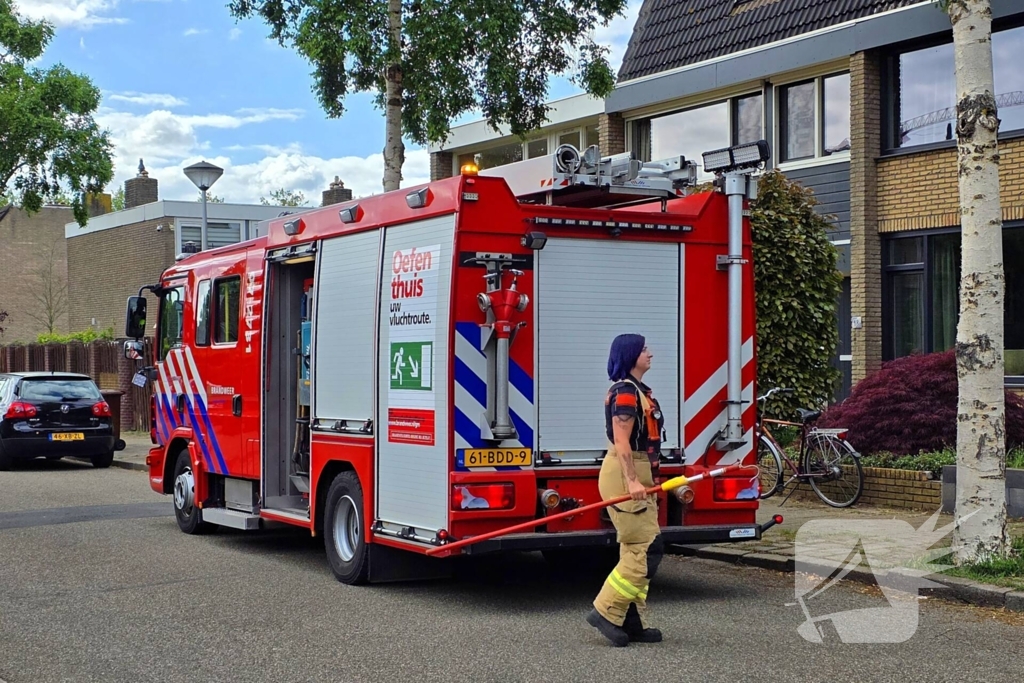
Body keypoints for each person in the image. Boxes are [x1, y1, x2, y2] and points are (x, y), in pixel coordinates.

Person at [586, 333, 666, 647]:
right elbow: (622, 441)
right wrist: (632, 480)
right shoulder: (625, 393)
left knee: (633, 549)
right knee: (648, 548)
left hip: (636, 470)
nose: (650, 353)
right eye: (644, 349)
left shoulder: (637, 391)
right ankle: (605, 610)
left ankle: (630, 621)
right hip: (625, 471)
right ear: (631, 354)